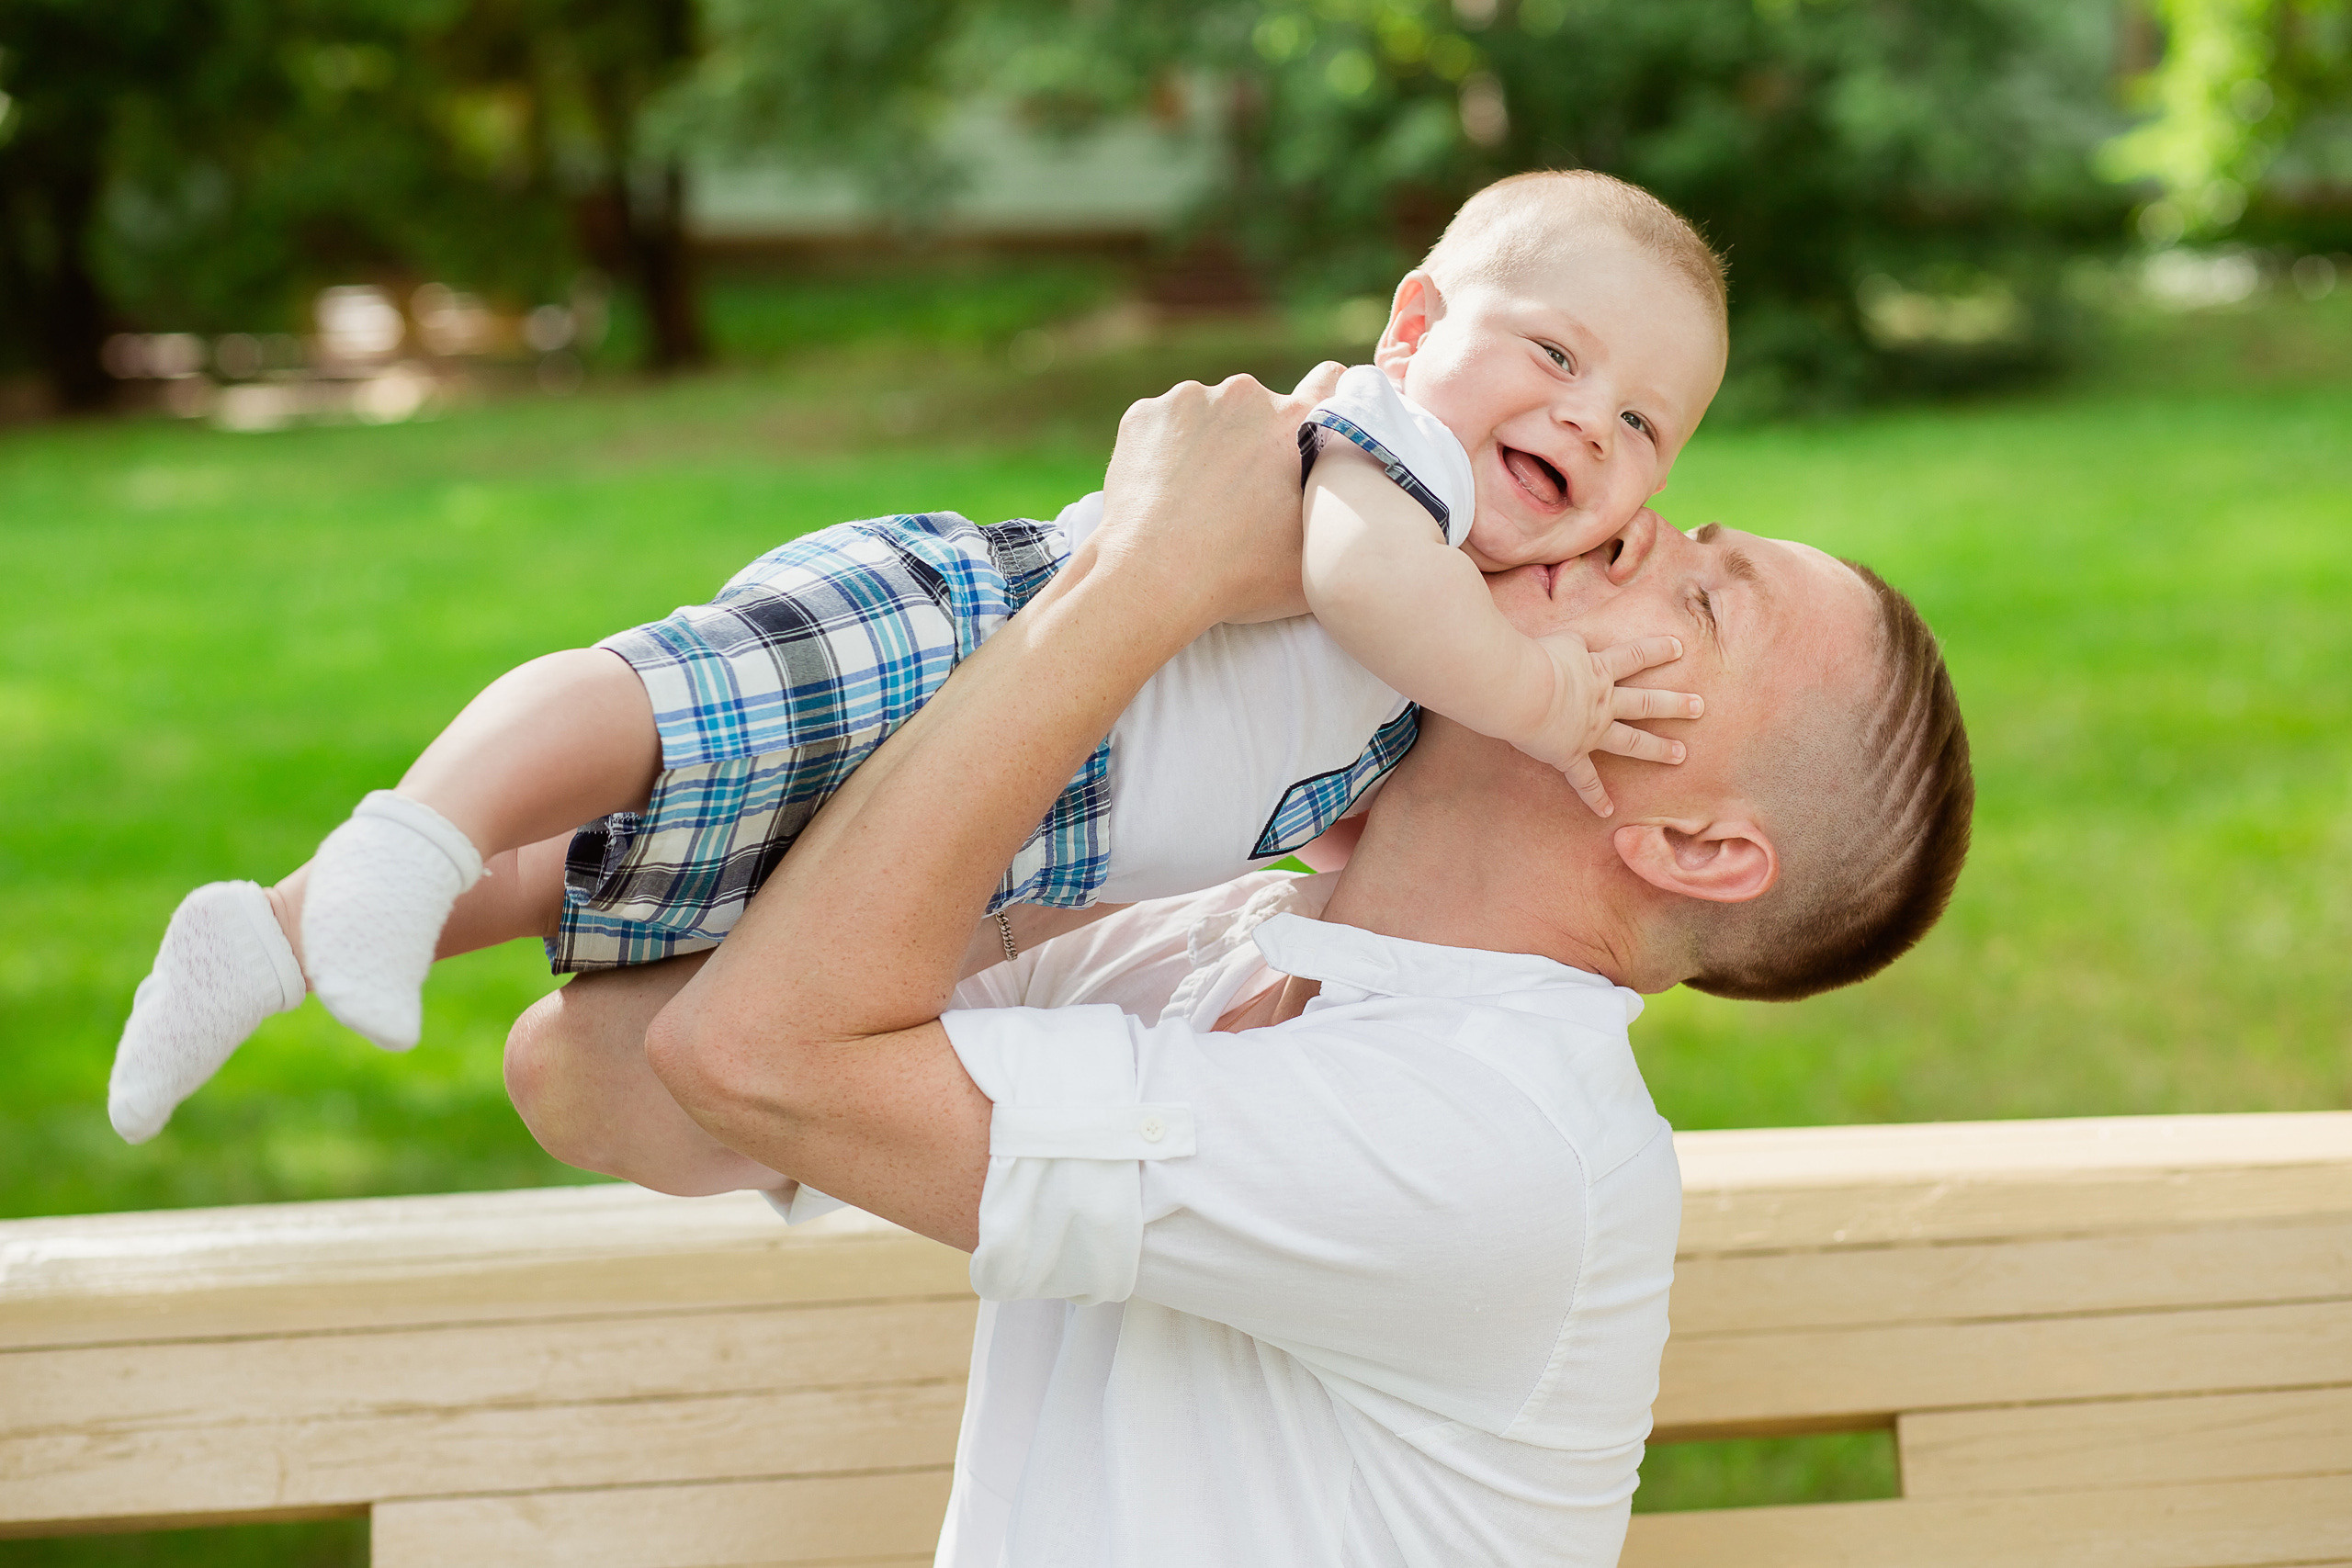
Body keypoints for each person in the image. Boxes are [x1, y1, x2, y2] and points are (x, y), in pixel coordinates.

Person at [502, 375, 1974, 1565]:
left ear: (1698, 848)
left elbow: (752, 1060)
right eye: (1690, 528)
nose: (1642, 526)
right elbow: (600, 1076)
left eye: (1710, 601)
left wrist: (1142, 583)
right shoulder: (1225, 934)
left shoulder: (1495, 1144)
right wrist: (1152, 801)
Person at [107, 169, 1726, 1145]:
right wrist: (1538, 695)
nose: (1588, 416)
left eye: (1643, 420)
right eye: (1556, 351)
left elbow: (1294, 759)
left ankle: (266, 940)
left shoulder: (1463, 596)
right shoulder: (1399, 470)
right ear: (1417, 324)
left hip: (1014, 800)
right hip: (958, 643)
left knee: (599, 865)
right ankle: (414, 830)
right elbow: (1358, 583)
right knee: (652, 716)